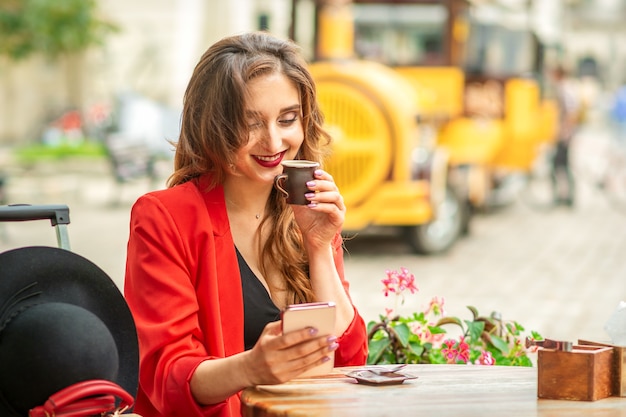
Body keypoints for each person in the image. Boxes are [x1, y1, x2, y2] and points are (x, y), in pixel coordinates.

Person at [123, 32, 368, 417]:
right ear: (212, 126)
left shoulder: (308, 211)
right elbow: (166, 377)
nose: (273, 141)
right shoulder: (165, 217)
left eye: (288, 119)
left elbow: (348, 358)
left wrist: (319, 245)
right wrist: (251, 367)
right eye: (250, 123)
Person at [550, 65, 580, 207]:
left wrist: (565, 131)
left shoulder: (565, 89)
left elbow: (571, 112)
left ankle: (564, 196)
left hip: (564, 135)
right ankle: (565, 195)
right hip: (564, 134)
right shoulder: (567, 87)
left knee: (559, 165)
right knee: (562, 165)